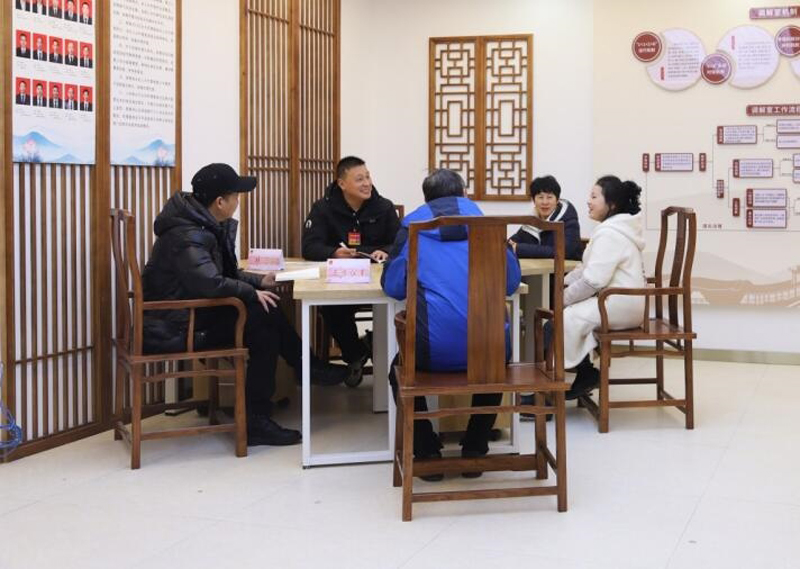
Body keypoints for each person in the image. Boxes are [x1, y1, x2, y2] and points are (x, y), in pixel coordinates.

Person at [142, 163, 348, 446]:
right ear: (220, 202)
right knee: (262, 321)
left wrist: (259, 281)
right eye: (236, 196)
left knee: (265, 314)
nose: (238, 201)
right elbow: (210, 283)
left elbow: (222, 274)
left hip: (187, 315)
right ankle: (269, 406)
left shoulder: (200, 224)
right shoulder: (188, 234)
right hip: (176, 325)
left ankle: (298, 375)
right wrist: (252, 293)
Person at [381, 169, 522, 480]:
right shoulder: (490, 228)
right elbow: (511, 283)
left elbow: (393, 287)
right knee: (492, 361)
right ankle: (475, 447)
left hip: (432, 354)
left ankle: (426, 452)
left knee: (399, 369)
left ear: (426, 199)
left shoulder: (413, 230)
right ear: (464, 195)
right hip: (489, 350)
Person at [302, 156, 400, 385]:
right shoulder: (323, 208)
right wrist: (334, 252)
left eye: (368, 177)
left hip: (377, 281)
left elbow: (400, 243)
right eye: (359, 179)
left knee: (396, 302)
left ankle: (380, 352)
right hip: (342, 281)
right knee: (331, 308)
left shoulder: (384, 207)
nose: (367, 183)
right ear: (342, 183)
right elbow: (309, 247)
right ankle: (356, 353)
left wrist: (385, 251)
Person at [559, 176, 646, 399]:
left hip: (619, 304)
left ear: (612, 204)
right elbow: (586, 268)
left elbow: (593, 281)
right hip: (618, 301)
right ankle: (584, 374)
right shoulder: (614, 229)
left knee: (563, 319)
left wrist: (563, 298)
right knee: (565, 317)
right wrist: (564, 282)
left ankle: (563, 385)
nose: (588, 201)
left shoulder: (610, 234)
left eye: (594, 196)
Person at [508, 175, 583, 260]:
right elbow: (510, 244)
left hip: (566, 268)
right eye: (540, 197)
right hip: (539, 268)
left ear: (557, 200)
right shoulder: (532, 221)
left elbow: (565, 252)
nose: (545, 202)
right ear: (534, 200)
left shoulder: (569, 220)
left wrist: (521, 249)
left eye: (549, 197)